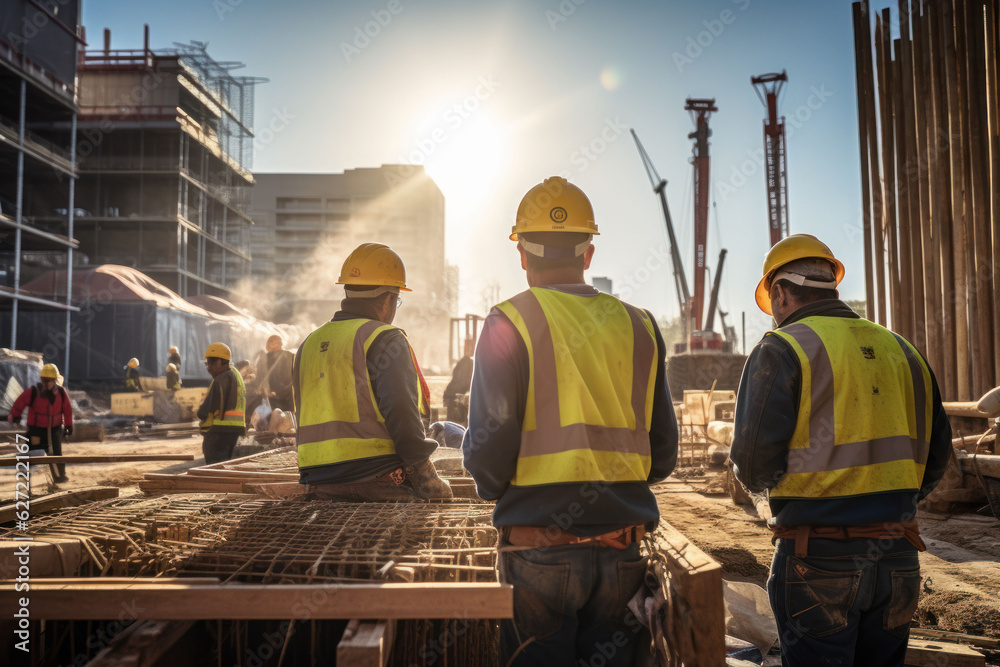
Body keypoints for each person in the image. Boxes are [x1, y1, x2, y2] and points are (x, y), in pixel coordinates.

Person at [462, 176, 678, 666]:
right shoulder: (640, 325)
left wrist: (494, 485)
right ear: (589, 253)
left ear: (521, 254)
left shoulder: (508, 320)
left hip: (538, 548)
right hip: (624, 549)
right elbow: (663, 455)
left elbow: (491, 452)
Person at [729, 234, 952, 667]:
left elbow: (754, 465)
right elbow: (937, 455)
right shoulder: (903, 350)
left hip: (818, 560)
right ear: (832, 283)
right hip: (898, 558)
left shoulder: (782, 348)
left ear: (779, 292)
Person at [293, 242, 452, 502]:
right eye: (397, 301)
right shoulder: (385, 338)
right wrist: (425, 475)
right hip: (378, 478)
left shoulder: (307, 344)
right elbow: (401, 412)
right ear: (388, 300)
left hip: (317, 484)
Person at [8, 363, 73, 483]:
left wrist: (69, 425)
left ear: (55, 381)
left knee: (56, 455)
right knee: (32, 454)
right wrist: (15, 416)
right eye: (45, 381)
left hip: (54, 430)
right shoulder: (33, 392)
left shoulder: (61, 393)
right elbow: (19, 403)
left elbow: (67, 410)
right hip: (36, 430)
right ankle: (25, 479)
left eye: (50, 381)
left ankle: (59, 477)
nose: (47, 384)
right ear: (41, 380)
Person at [196, 342, 247, 464]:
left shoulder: (220, 380)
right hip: (235, 429)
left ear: (220, 362)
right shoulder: (235, 374)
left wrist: (200, 413)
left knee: (214, 466)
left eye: (211, 363)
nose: (208, 367)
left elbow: (204, 411)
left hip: (219, 430)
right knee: (225, 464)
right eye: (207, 363)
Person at [255, 335, 295, 412]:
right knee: (288, 417)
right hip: (288, 396)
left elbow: (259, 378)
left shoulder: (264, 359)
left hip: (271, 396)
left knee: (275, 418)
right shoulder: (289, 356)